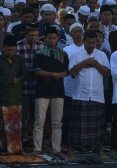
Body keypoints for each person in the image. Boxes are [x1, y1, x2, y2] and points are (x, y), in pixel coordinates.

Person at [67, 31, 110, 157]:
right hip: (81, 94)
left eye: (93, 43)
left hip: (97, 94)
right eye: (88, 43)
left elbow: (107, 72)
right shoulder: (76, 54)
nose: (91, 45)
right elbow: (72, 71)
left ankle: (99, 149)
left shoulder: (101, 55)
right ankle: (71, 148)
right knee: (75, 124)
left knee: (98, 125)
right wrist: (86, 62)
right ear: (83, 41)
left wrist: (95, 64)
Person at [32, 26, 69, 157]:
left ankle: (56, 149)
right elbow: (36, 71)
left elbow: (66, 71)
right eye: (49, 38)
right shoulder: (39, 54)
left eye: (54, 38)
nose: (52, 40)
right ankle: (37, 148)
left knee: (57, 122)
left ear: (58, 38)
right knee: (39, 122)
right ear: (45, 39)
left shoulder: (63, 54)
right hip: (42, 92)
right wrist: (53, 74)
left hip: (58, 92)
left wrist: (56, 76)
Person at [0, 35, 28, 155]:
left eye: (13, 50)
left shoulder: (19, 60)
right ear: (3, 48)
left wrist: (18, 79)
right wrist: (11, 79)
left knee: (15, 127)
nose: (10, 52)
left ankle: (15, 149)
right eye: (8, 50)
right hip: (2, 98)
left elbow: (24, 74)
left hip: (16, 97)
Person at [16, 23, 44, 144]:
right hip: (23, 88)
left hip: (38, 88)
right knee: (21, 118)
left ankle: (36, 142)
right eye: (31, 35)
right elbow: (17, 66)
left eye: (36, 35)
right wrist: (32, 71)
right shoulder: (18, 46)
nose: (34, 38)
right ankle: (19, 142)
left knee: (36, 118)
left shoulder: (42, 46)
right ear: (25, 34)